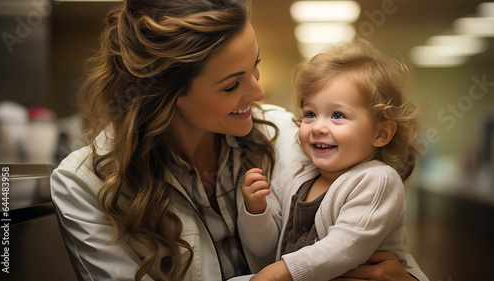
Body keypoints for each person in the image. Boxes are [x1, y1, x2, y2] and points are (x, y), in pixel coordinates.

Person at [50, 0, 429, 280]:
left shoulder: (287, 138)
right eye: (232, 84)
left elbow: (388, 257)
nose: (260, 93)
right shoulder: (86, 183)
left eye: (255, 67)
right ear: (164, 92)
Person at [239, 39, 428, 281]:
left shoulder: (378, 180)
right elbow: (264, 247)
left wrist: (280, 272)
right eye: (310, 114)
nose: (318, 126)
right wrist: (257, 211)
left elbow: (343, 249)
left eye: (337, 115)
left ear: (380, 134)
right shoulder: (295, 175)